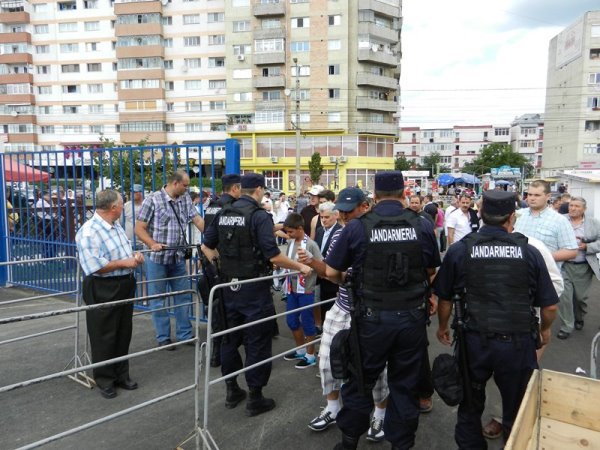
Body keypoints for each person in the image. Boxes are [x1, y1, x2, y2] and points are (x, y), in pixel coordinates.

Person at [324, 171, 440, 449]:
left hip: (370, 321)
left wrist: (347, 281)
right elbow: (431, 271)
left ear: (374, 196)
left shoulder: (357, 227)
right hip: (411, 320)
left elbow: (331, 271)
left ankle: (350, 440)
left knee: (360, 381)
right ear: (403, 193)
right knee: (404, 384)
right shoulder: (422, 225)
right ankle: (401, 444)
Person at [434, 190, 559, 448]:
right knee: (517, 409)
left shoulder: (460, 250)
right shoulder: (530, 252)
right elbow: (549, 306)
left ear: (480, 214)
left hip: (474, 342)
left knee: (470, 403)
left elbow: (444, 299)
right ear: (512, 217)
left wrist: (443, 327)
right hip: (517, 343)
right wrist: (545, 331)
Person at [202, 173, 312, 417]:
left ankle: (232, 390)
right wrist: (301, 267)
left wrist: (220, 265)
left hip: (227, 288)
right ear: (260, 190)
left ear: (241, 189)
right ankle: (255, 396)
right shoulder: (259, 216)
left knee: (230, 339)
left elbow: (205, 245)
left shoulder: (224, 212)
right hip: (253, 289)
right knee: (257, 342)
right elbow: (274, 256)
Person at [299, 188, 389, 442]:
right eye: (342, 210)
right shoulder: (345, 232)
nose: (345, 215)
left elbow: (334, 274)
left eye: (350, 210)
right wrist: (315, 263)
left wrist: (319, 266)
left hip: (373, 311)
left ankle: (380, 414)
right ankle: (333, 408)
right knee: (327, 363)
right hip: (343, 307)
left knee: (378, 371)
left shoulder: (379, 231)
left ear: (366, 205)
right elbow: (335, 275)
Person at [75, 189, 145, 399]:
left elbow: (121, 253)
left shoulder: (115, 227)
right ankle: (105, 378)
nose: (124, 208)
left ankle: (121, 374)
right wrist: (126, 262)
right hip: (102, 286)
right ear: (113, 208)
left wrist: (134, 256)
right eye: (122, 205)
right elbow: (95, 266)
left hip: (124, 283)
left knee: (123, 331)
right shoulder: (89, 231)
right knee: (104, 333)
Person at [135, 170, 205, 349]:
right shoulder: (152, 200)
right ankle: (163, 338)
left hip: (178, 257)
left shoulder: (185, 199)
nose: (187, 188)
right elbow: (139, 228)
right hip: (157, 259)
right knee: (159, 299)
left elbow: (197, 220)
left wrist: (212, 236)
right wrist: (152, 243)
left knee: (182, 296)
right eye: (185, 185)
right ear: (175, 183)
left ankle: (184, 334)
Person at [201, 174, 242, 367]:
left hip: (210, 263)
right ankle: (219, 352)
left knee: (215, 308)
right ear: (234, 188)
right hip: (224, 265)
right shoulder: (230, 208)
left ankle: (217, 351)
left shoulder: (212, 205)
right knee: (224, 312)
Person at [280, 213, 322, 369]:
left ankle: (310, 355)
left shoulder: (311, 244)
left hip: (306, 290)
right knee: (291, 321)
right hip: (291, 289)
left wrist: (310, 267)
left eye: (290, 231)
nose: (288, 235)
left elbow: (321, 265)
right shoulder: (291, 243)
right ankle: (300, 349)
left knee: (308, 323)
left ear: (299, 228)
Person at [556, 196, 600, 339]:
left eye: (577, 206)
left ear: (584, 209)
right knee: (565, 297)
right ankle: (567, 326)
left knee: (580, 298)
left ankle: (579, 317)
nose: (573, 208)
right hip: (564, 265)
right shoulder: (560, 220)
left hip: (583, 267)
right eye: (571, 205)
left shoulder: (593, 223)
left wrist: (587, 246)